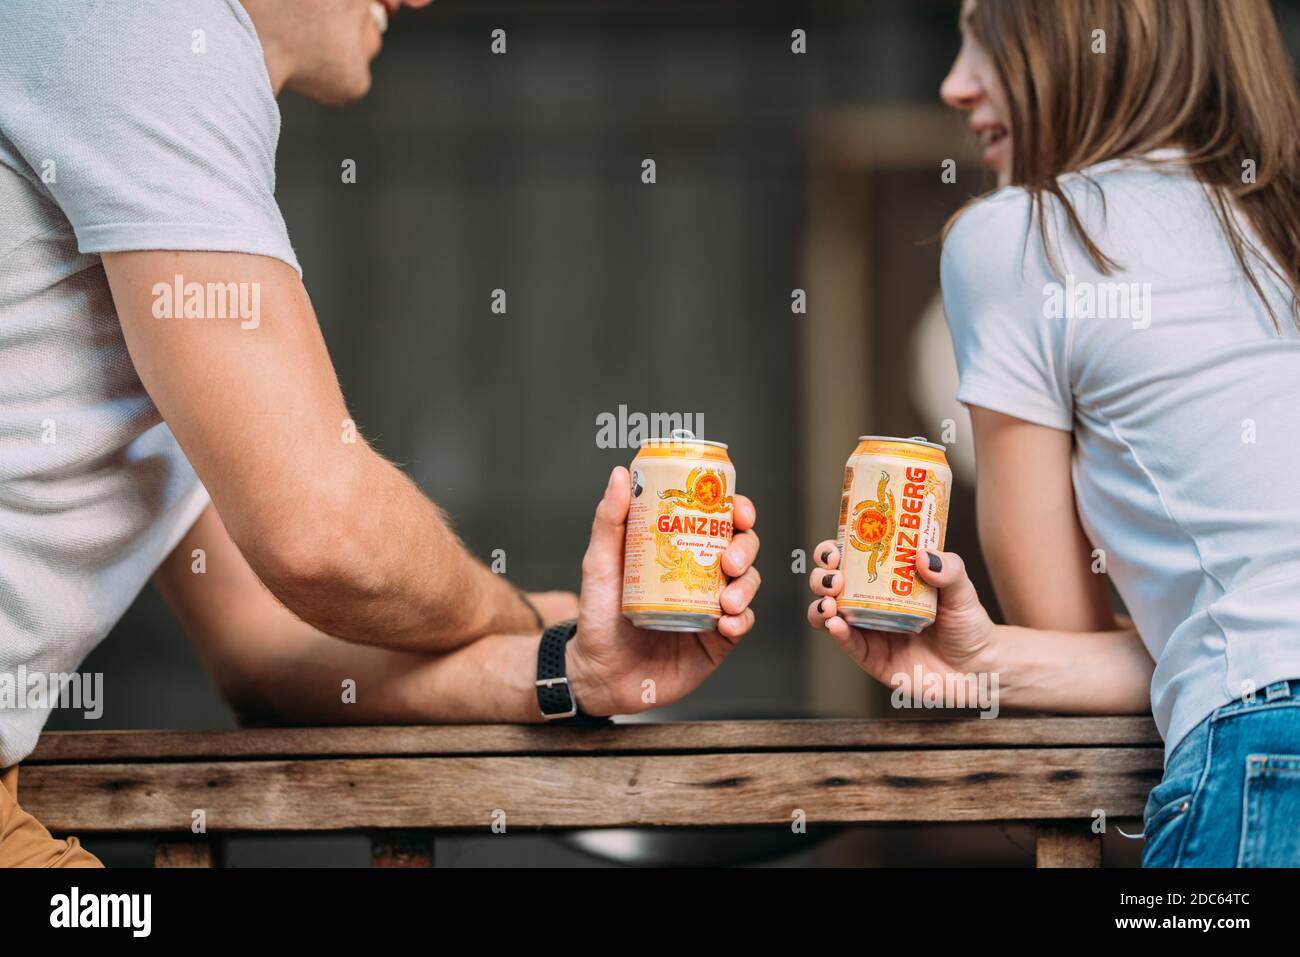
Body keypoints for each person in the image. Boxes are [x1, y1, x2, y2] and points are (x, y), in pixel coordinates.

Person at [0, 0, 761, 866]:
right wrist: (512, 608)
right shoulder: (148, 27)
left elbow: (261, 648)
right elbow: (324, 534)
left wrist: (563, 664)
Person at [809, 0, 1300, 867]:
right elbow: (1234, 640)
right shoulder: (1280, 217)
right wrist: (986, 659)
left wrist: (1003, 658)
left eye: (986, 34)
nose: (955, 83)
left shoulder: (1018, 239)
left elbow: (1097, 642)